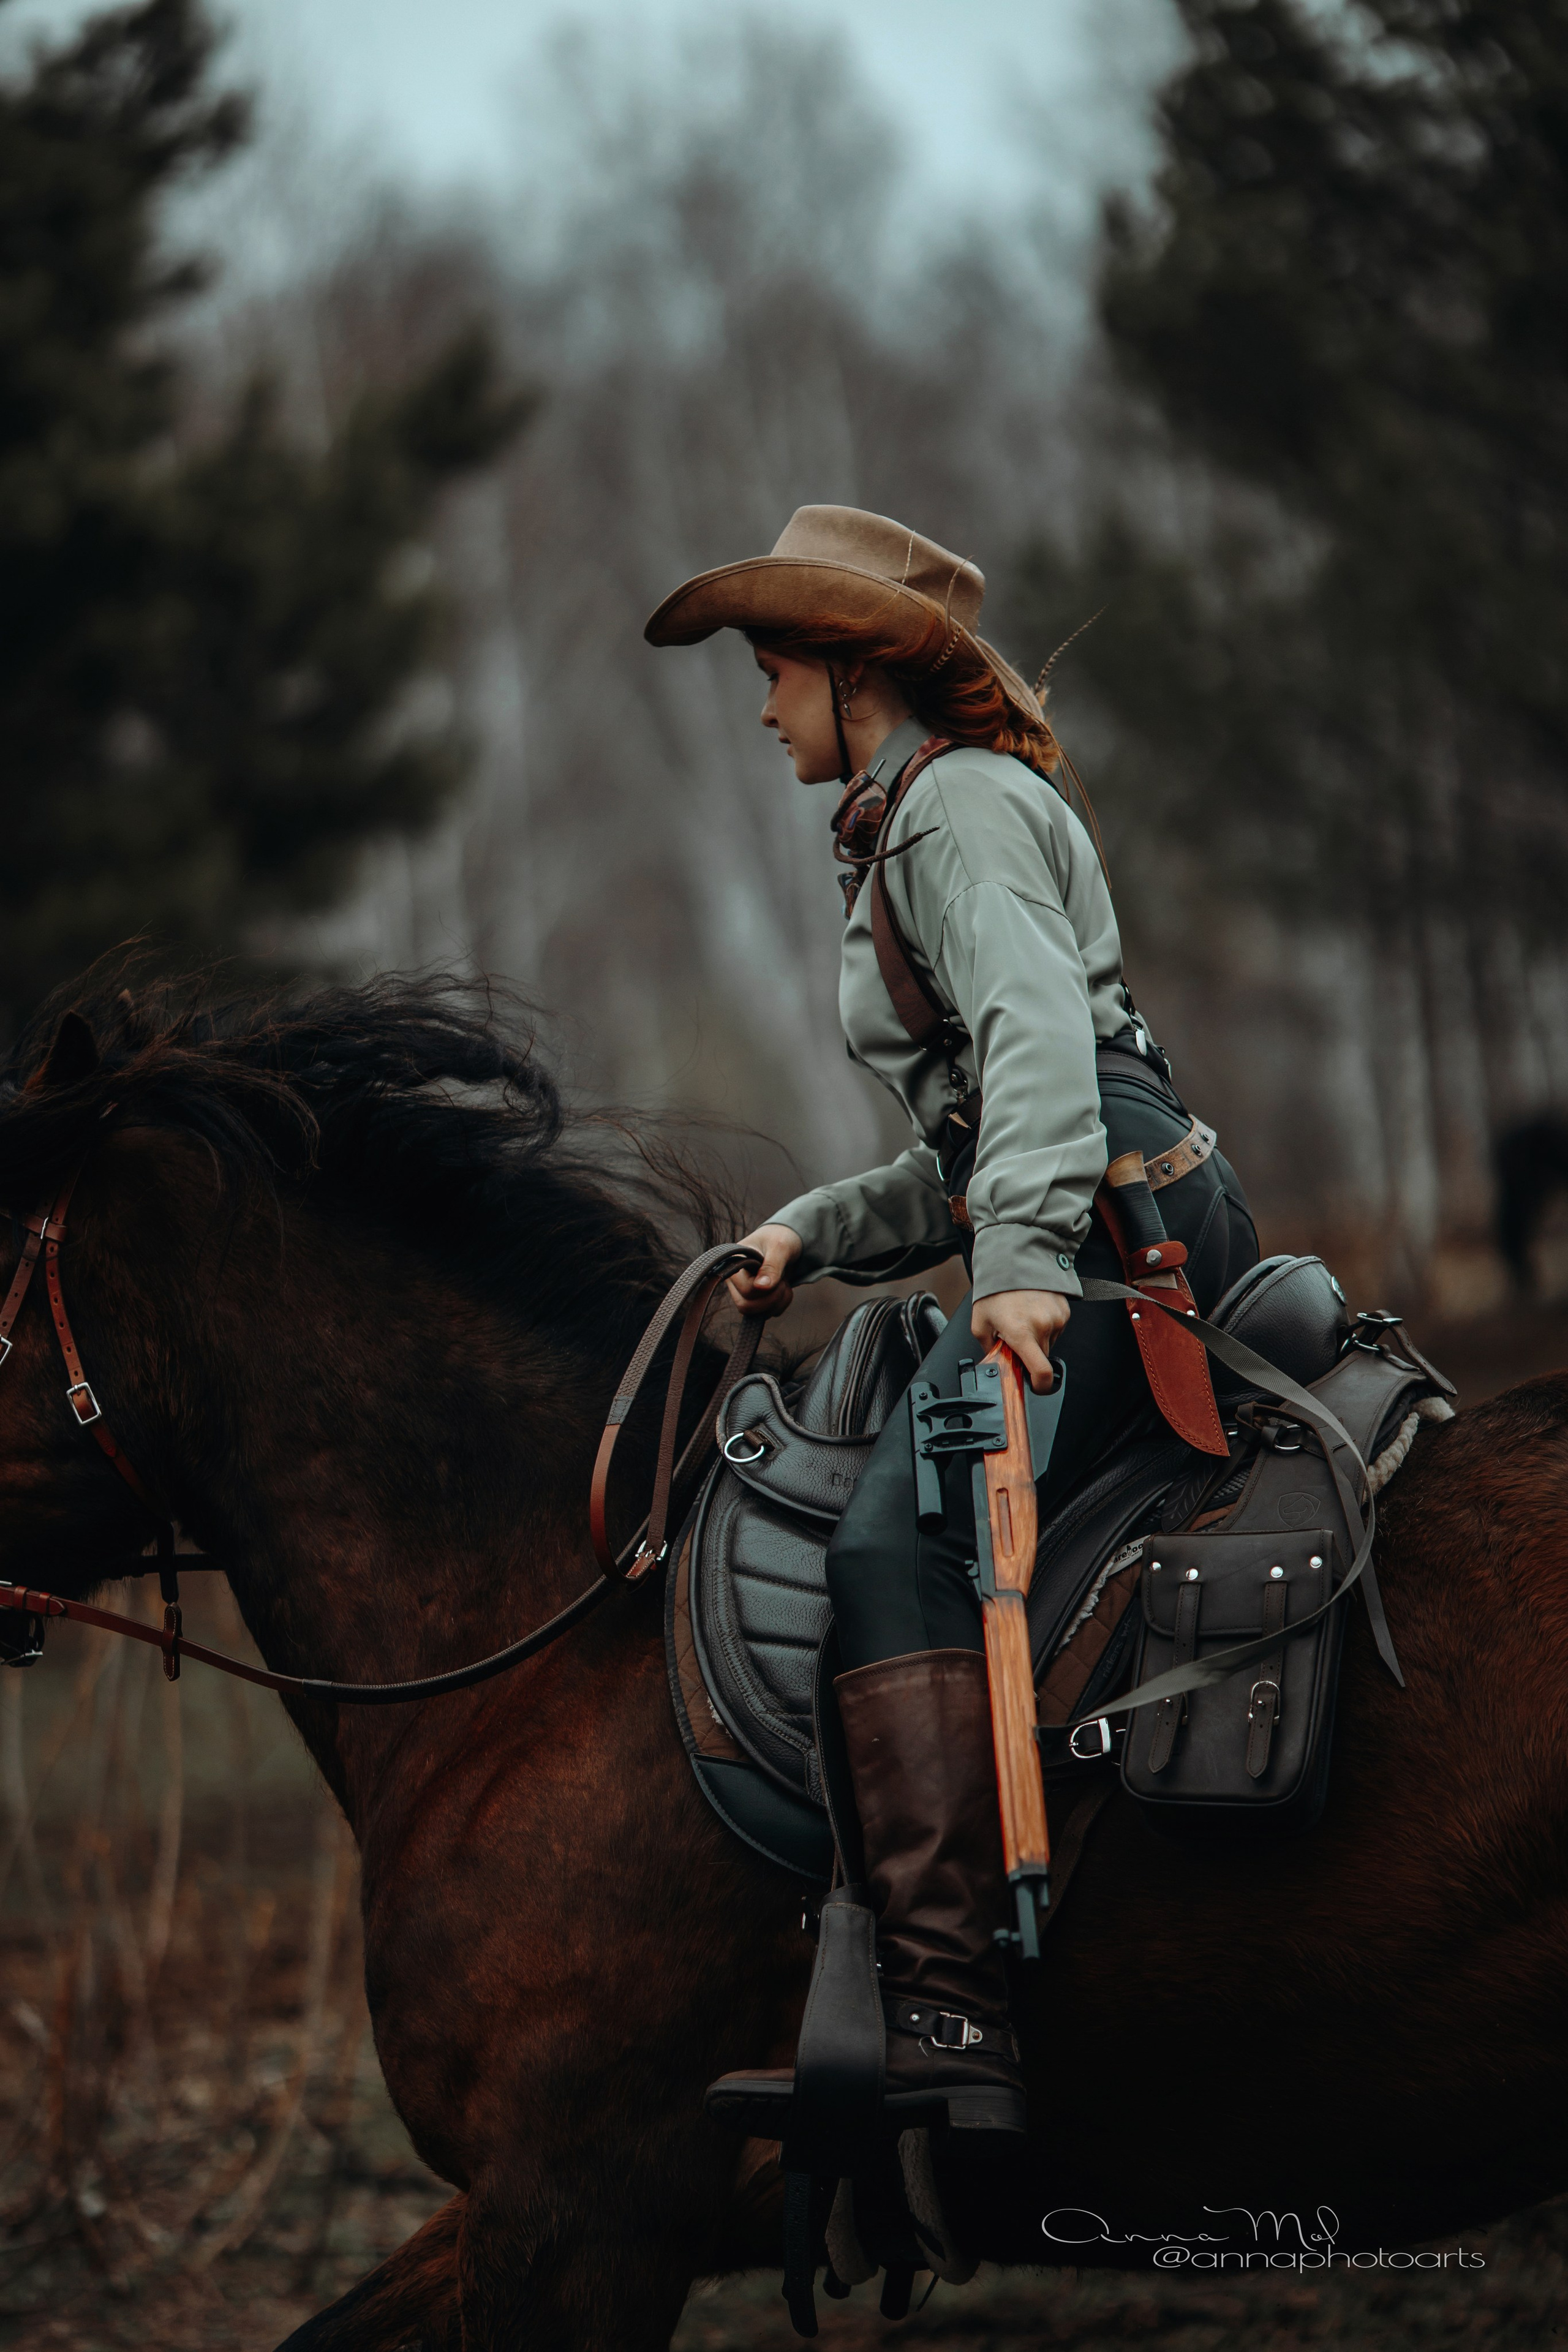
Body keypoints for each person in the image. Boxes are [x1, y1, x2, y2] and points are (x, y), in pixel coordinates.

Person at [645, 505, 1257, 2144]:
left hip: (1121, 1234)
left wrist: (1025, 1267)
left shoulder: (952, 813)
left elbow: (1045, 1048)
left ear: (853, 672)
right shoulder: (926, 813)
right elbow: (977, 1141)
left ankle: (947, 2003)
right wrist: (816, 1231)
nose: (760, 706)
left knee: (893, 1546)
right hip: (1114, 1202)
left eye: (773, 672)